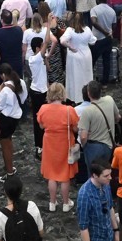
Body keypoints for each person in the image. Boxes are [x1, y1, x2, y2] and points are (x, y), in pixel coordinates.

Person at [36, 83, 78, 212]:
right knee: (64, 175)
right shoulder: (69, 110)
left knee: (51, 175)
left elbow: (42, 126)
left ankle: (52, 203)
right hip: (65, 143)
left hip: (49, 144)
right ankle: (66, 203)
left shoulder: (43, 108)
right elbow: (76, 128)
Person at [79, 80, 120, 171]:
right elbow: (118, 118)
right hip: (108, 146)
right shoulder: (110, 100)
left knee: (93, 176)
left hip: (93, 147)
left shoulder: (87, 111)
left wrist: (84, 146)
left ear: (88, 94)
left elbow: (83, 136)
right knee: (105, 173)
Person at [62, 13, 96, 105]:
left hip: (74, 56)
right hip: (86, 55)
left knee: (74, 76)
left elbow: (62, 40)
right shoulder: (87, 29)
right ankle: (88, 95)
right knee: (86, 75)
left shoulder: (70, 30)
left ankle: (74, 97)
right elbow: (92, 41)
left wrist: (70, 47)